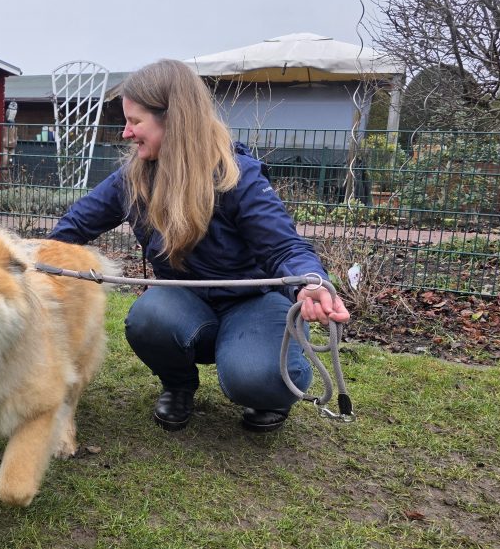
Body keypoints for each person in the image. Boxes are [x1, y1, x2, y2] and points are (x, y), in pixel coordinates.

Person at [48, 59, 350, 433]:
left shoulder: (237, 176)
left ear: (173, 120)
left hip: (252, 303)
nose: (126, 133)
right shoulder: (133, 179)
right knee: (148, 316)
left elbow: (284, 248)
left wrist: (311, 283)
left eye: (135, 121)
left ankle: (267, 386)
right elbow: (73, 226)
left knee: (254, 377)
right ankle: (179, 385)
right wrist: (27, 261)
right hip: (185, 304)